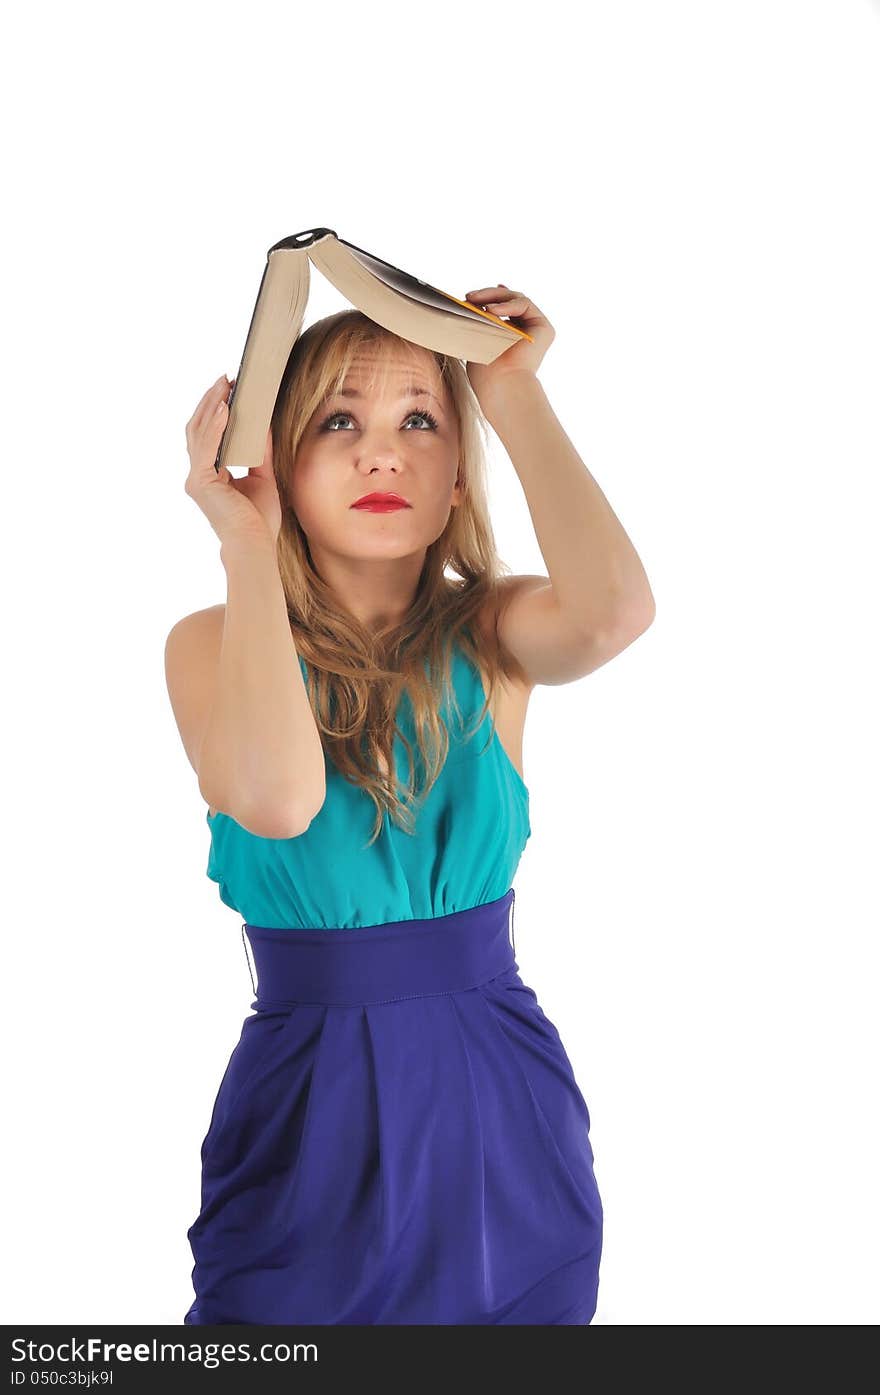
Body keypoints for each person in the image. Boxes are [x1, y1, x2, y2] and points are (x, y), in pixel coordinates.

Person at [165, 286, 655, 1325]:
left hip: (500, 1107)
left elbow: (614, 613)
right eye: (338, 421)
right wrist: (245, 547)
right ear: (277, 460)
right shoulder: (212, 643)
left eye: (420, 422)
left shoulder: (496, 632)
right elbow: (279, 799)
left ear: (454, 478)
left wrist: (510, 391)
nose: (381, 454)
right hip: (311, 1112)